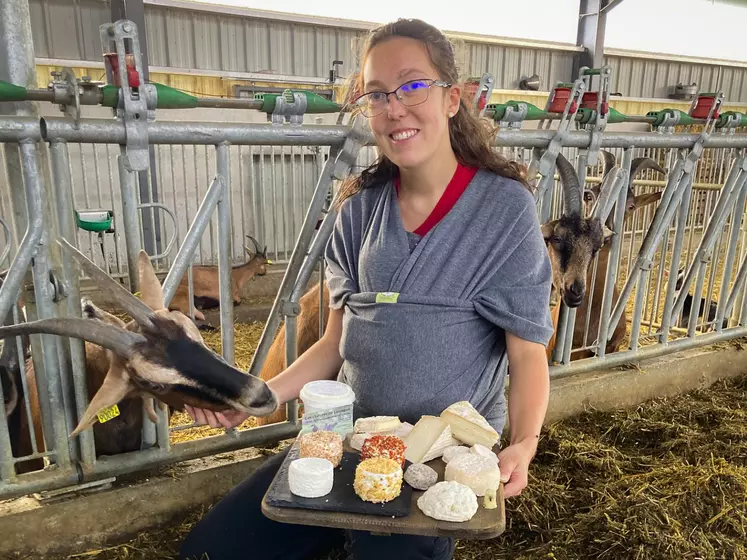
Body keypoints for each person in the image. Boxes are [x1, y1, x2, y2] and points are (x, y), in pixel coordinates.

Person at [179, 18, 554, 560]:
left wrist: (524, 442)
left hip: (437, 462)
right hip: (346, 442)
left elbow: (526, 352)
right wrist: (252, 399)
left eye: (413, 85)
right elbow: (334, 346)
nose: (394, 107)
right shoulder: (357, 211)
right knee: (212, 550)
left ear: (453, 97)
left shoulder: (503, 211)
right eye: (376, 94)